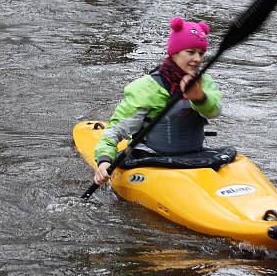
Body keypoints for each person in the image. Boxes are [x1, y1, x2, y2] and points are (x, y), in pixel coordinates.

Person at [93, 17, 222, 186]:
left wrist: (199, 97)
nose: (197, 59)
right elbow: (116, 130)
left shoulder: (204, 83)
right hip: (152, 161)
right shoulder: (147, 88)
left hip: (195, 159)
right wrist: (104, 161)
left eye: (201, 53)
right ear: (174, 53)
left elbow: (214, 111)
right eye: (190, 52)